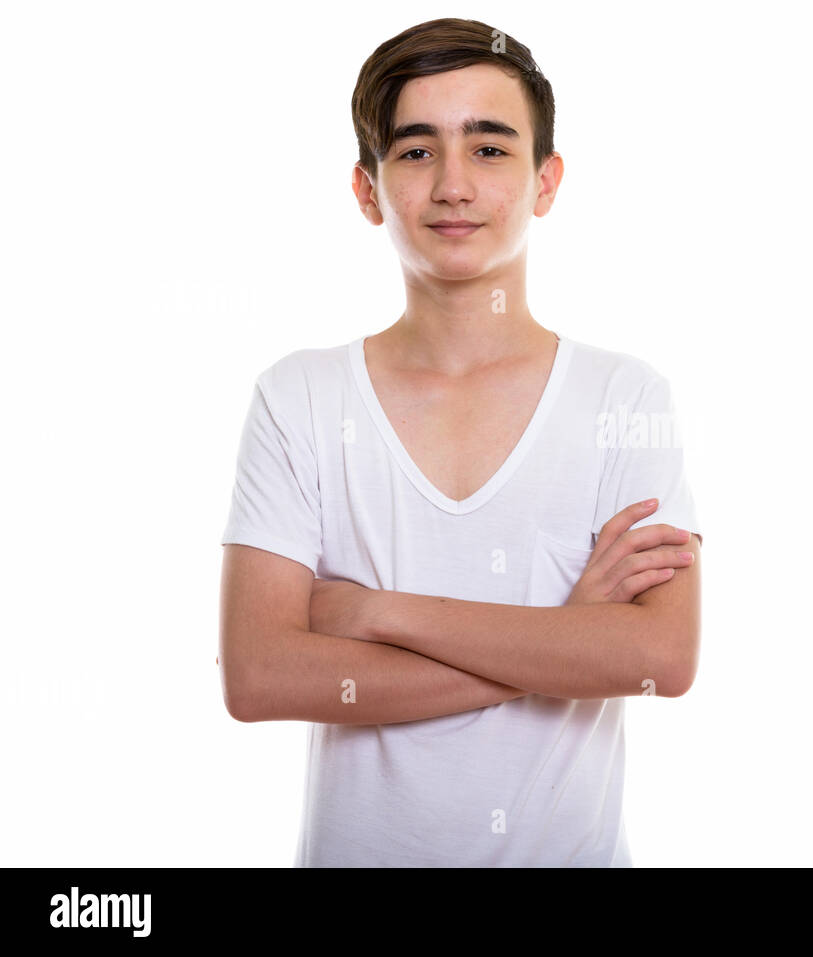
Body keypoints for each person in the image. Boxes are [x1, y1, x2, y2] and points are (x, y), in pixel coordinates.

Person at [217, 17, 702, 867]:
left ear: (546, 181)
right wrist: (563, 643)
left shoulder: (625, 398)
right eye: (414, 152)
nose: (451, 185)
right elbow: (258, 677)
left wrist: (375, 612)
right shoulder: (298, 397)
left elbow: (660, 655)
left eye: (488, 149)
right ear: (367, 191)